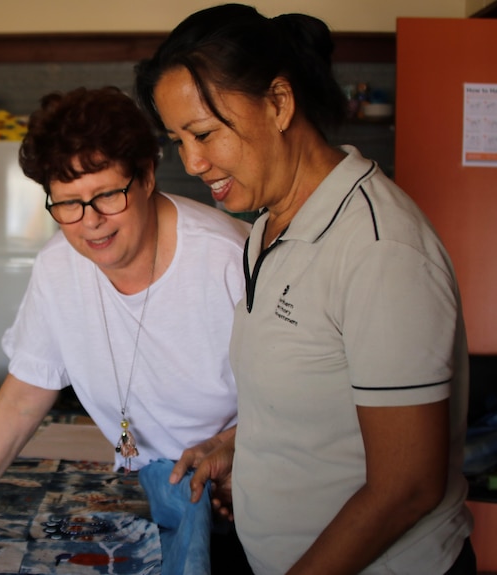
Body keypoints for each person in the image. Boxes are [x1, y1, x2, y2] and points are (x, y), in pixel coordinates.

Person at [134, 4, 475, 574]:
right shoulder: (267, 226)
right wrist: (239, 444)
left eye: (204, 133)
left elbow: (408, 485)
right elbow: (323, 394)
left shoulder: (378, 249)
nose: (192, 162)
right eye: (177, 140)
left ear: (279, 103)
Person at [0, 86, 252, 571]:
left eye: (107, 196)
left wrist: (237, 448)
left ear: (147, 176)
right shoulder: (58, 267)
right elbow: (24, 397)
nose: (91, 224)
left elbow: (310, 402)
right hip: (152, 484)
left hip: (244, 480)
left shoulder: (228, 260)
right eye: (67, 203)